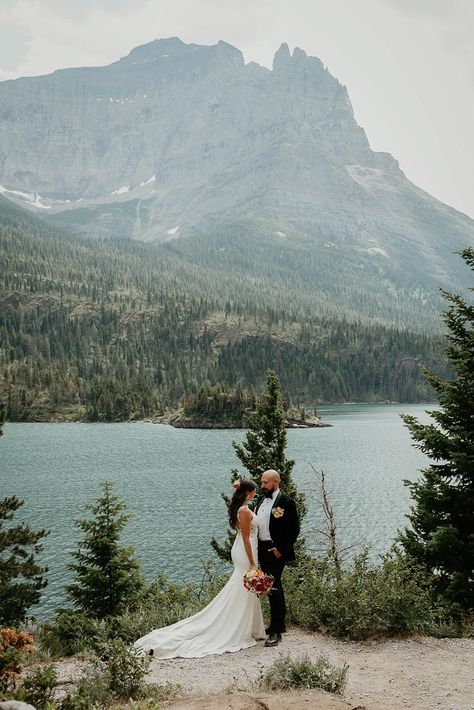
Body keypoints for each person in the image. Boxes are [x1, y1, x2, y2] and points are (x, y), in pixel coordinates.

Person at [133, 479, 265, 658]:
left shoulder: (243, 508)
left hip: (243, 548)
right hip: (245, 551)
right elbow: (247, 538)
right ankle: (235, 627)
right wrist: (251, 562)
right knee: (242, 587)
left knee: (244, 587)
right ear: (248, 492)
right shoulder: (243, 510)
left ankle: (250, 627)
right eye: (254, 491)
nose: (255, 494)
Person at [256, 469, 300, 647]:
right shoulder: (260, 500)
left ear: (276, 482)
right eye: (261, 482)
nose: (262, 485)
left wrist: (280, 549)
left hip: (275, 550)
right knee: (273, 585)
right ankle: (279, 624)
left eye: (265, 482)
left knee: (272, 585)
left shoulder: (287, 502)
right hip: (261, 549)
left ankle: (275, 630)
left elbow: (294, 529)